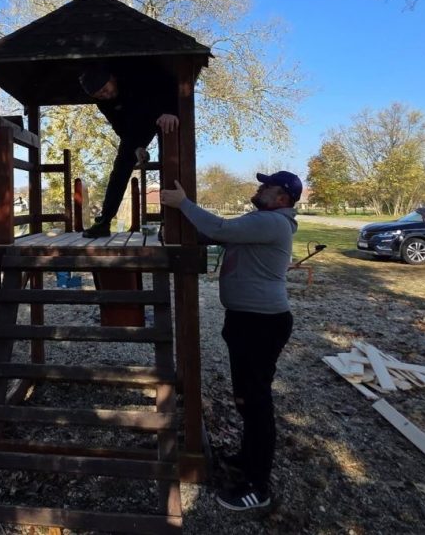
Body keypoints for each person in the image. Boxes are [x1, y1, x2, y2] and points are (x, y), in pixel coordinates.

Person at [158, 170, 302, 512]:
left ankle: (258, 487)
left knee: (256, 402)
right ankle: (246, 458)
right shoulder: (261, 220)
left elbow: (221, 229)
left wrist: (184, 204)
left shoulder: (274, 223)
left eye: (268, 186)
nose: (260, 188)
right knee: (245, 399)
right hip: (247, 321)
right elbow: (220, 237)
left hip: (261, 324)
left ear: (283, 198)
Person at [78, 64, 179, 238]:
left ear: (112, 78)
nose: (105, 95)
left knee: (169, 163)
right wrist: (136, 148)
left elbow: (168, 83)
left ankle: (168, 224)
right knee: (120, 169)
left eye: (105, 89)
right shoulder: (103, 103)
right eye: (99, 95)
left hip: (161, 114)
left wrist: (170, 111)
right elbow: (120, 127)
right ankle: (104, 222)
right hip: (135, 128)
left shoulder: (136, 75)